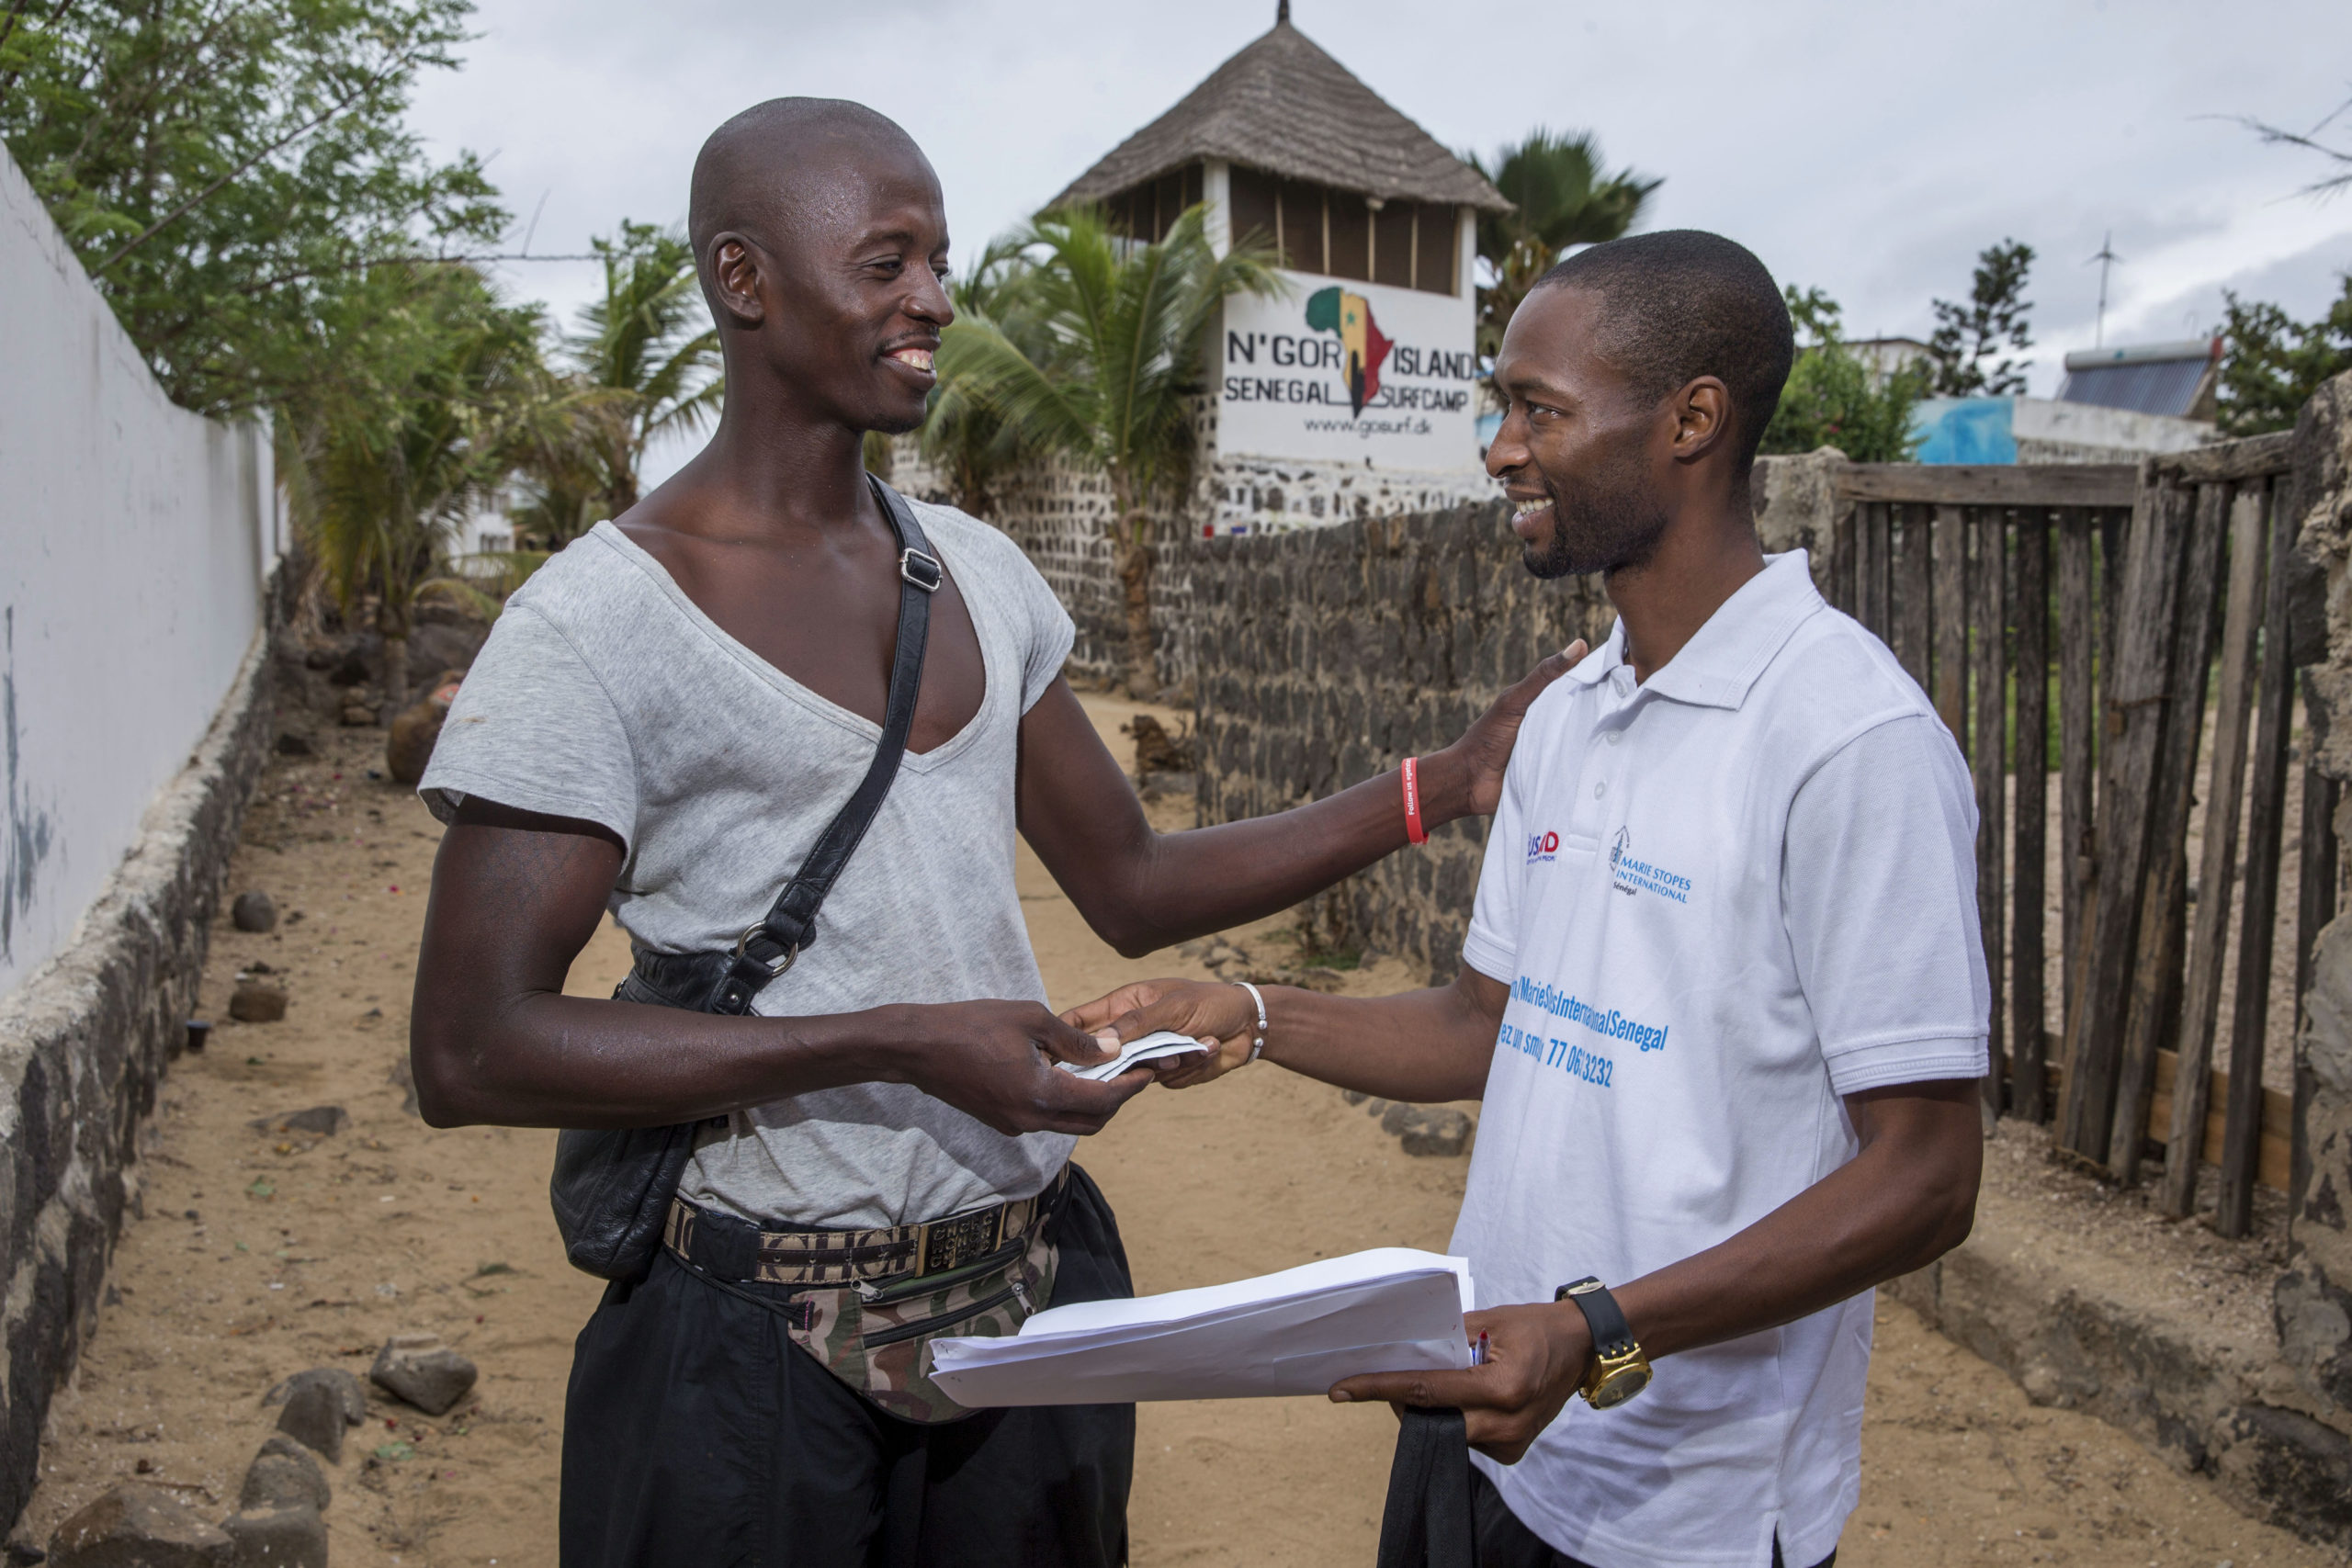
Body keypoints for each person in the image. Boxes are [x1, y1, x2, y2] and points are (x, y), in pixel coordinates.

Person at [406, 97, 1569, 1568]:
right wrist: (891, 1040)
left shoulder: (974, 572)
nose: (936, 303)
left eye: (939, 261)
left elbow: (1135, 884)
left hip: (1029, 1320)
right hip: (753, 1349)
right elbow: (469, 1051)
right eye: (887, 263)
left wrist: (1443, 784)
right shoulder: (594, 625)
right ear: (743, 280)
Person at [1069, 230, 1989, 1568]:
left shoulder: (1849, 740)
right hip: (1486, 1423)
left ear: (1692, 421)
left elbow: (1928, 1179)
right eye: (1504, 408)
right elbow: (1486, 1021)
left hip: (1688, 1509)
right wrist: (1253, 1012)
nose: (1500, 448)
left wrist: (1601, 1328)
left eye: (1538, 409)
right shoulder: (1568, 712)